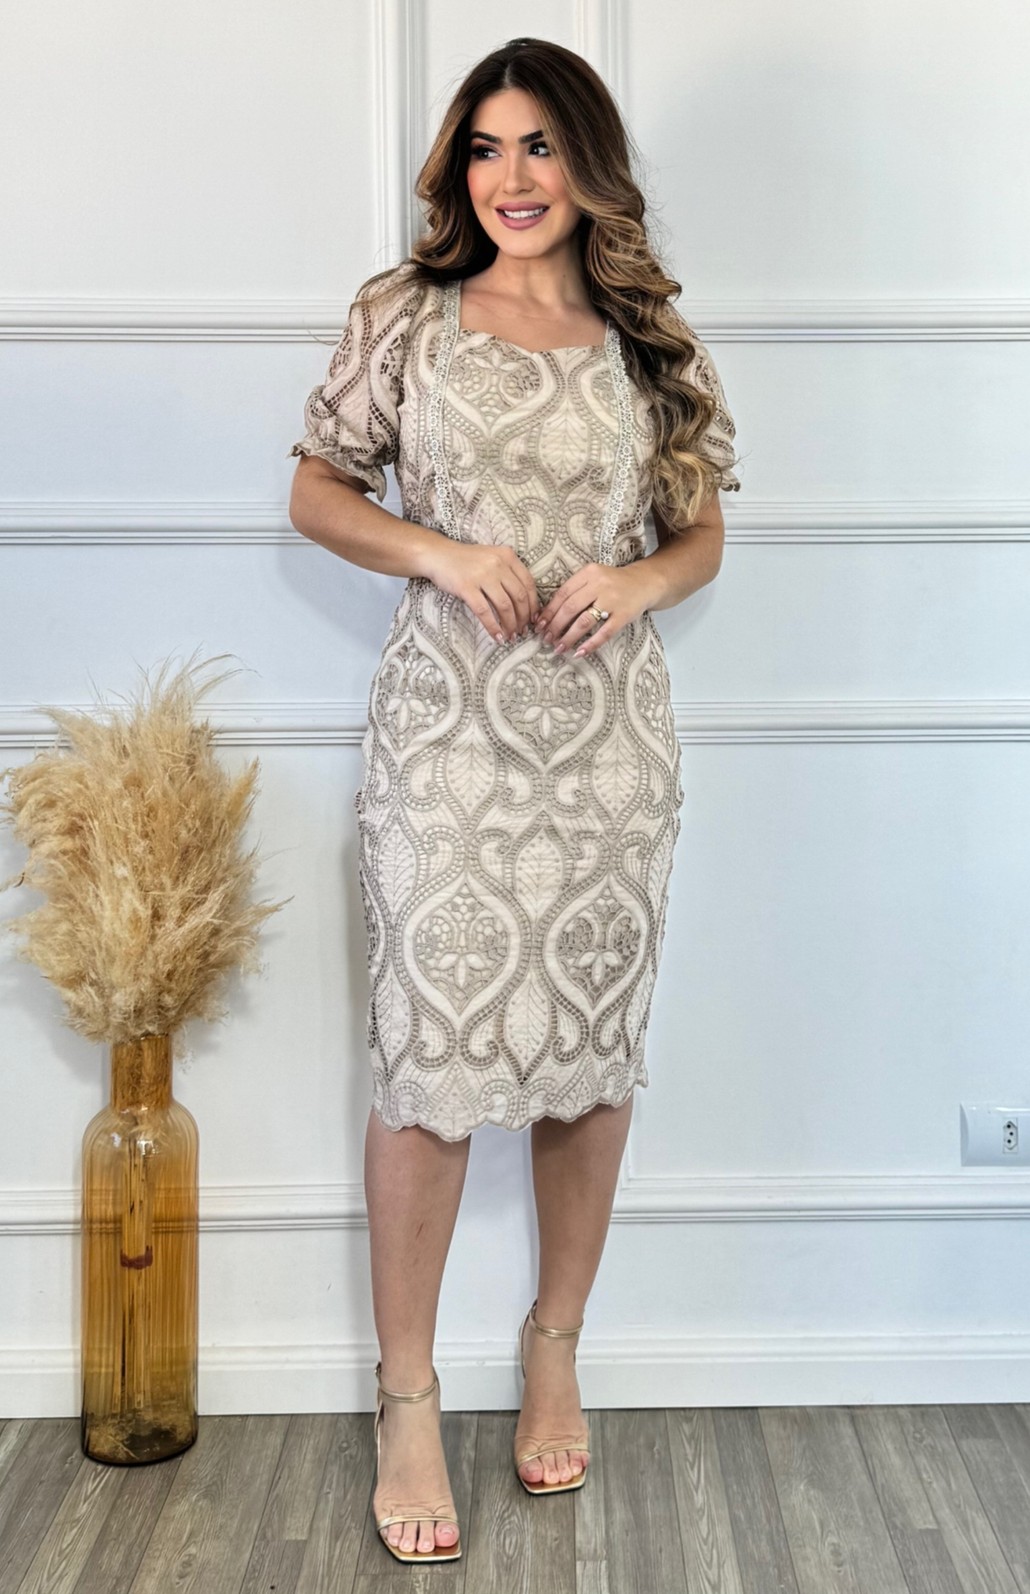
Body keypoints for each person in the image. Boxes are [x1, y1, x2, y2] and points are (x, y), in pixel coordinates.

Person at [287, 35, 741, 1565]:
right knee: (427, 1061)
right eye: (484, 148)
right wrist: (438, 549)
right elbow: (316, 488)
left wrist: (637, 580)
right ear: (456, 171)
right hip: (446, 742)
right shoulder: (403, 315)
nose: (511, 176)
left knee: (589, 1056)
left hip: (606, 747)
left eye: (539, 144)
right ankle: (407, 1394)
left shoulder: (645, 338)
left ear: (587, 163)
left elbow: (700, 537)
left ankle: (555, 1343)